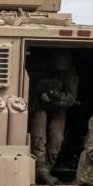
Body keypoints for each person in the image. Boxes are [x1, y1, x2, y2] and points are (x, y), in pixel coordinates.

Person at [28, 49, 79, 177]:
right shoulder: (42, 68)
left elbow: (71, 97)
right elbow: (31, 86)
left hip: (59, 108)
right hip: (39, 106)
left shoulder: (70, 74)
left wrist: (57, 98)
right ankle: (38, 167)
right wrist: (41, 94)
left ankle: (47, 169)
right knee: (38, 136)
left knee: (57, 138)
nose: (62, 62)